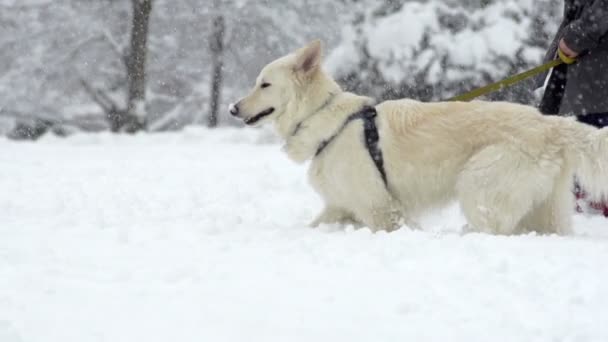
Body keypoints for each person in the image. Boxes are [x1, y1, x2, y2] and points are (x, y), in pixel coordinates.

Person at [538, 0, 608, 216]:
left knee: (592, 132)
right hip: (587, 69)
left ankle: (593, 196)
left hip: (596, 70)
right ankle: (583, 193)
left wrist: (573, 38)